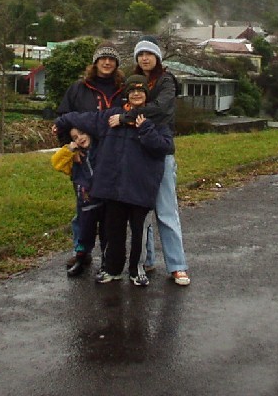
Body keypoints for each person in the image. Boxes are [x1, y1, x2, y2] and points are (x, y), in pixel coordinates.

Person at [55, 75, 174, 287]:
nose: (136, 94)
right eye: (132, 90)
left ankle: (137, 270)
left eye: (141, 90)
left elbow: (164, 147)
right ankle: (112, 269)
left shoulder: (155, 120)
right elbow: (82, 119)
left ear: (147, 94)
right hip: (113, 187)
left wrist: (144, 129)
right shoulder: (110, 116)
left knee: (139, 234)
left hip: (141, 187)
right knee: (113, 231)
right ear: (126, 93)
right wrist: (60, 123)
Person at [123, 35, 191, 286]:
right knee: (142, 210)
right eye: (140, 54)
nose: (144, 58)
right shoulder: (135, 81)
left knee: (166, 210)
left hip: (161, 152)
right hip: (138, 150)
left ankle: (177, 266)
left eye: (149, 54)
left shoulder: (166, 80)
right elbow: (122, 105)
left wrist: (132, 114)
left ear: (157, 57)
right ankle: (147, 259)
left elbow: (163, 109)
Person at [54, 41, 124, 270]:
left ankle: (108, 256)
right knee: (84, 208)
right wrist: (72, 141)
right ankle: (81, 252)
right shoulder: (79, 88)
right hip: (84, 158)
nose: (107, 62)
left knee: (109, 209)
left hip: (114, 157)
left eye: (112, 59)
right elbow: (62, 118)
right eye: (102, 59)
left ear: (116, 64)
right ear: (95, 63)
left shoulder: (123, 90)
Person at [50, 127, 104, 277]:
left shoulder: (100, 150)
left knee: (106, 233)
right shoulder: (74, 156)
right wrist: (70, 148)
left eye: (82, 134)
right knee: (84, 232)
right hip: (86, 204)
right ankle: (80, 258)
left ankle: (106, 263)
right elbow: (56, 163)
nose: (79, 138)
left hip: (104, 200)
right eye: (75, 137)